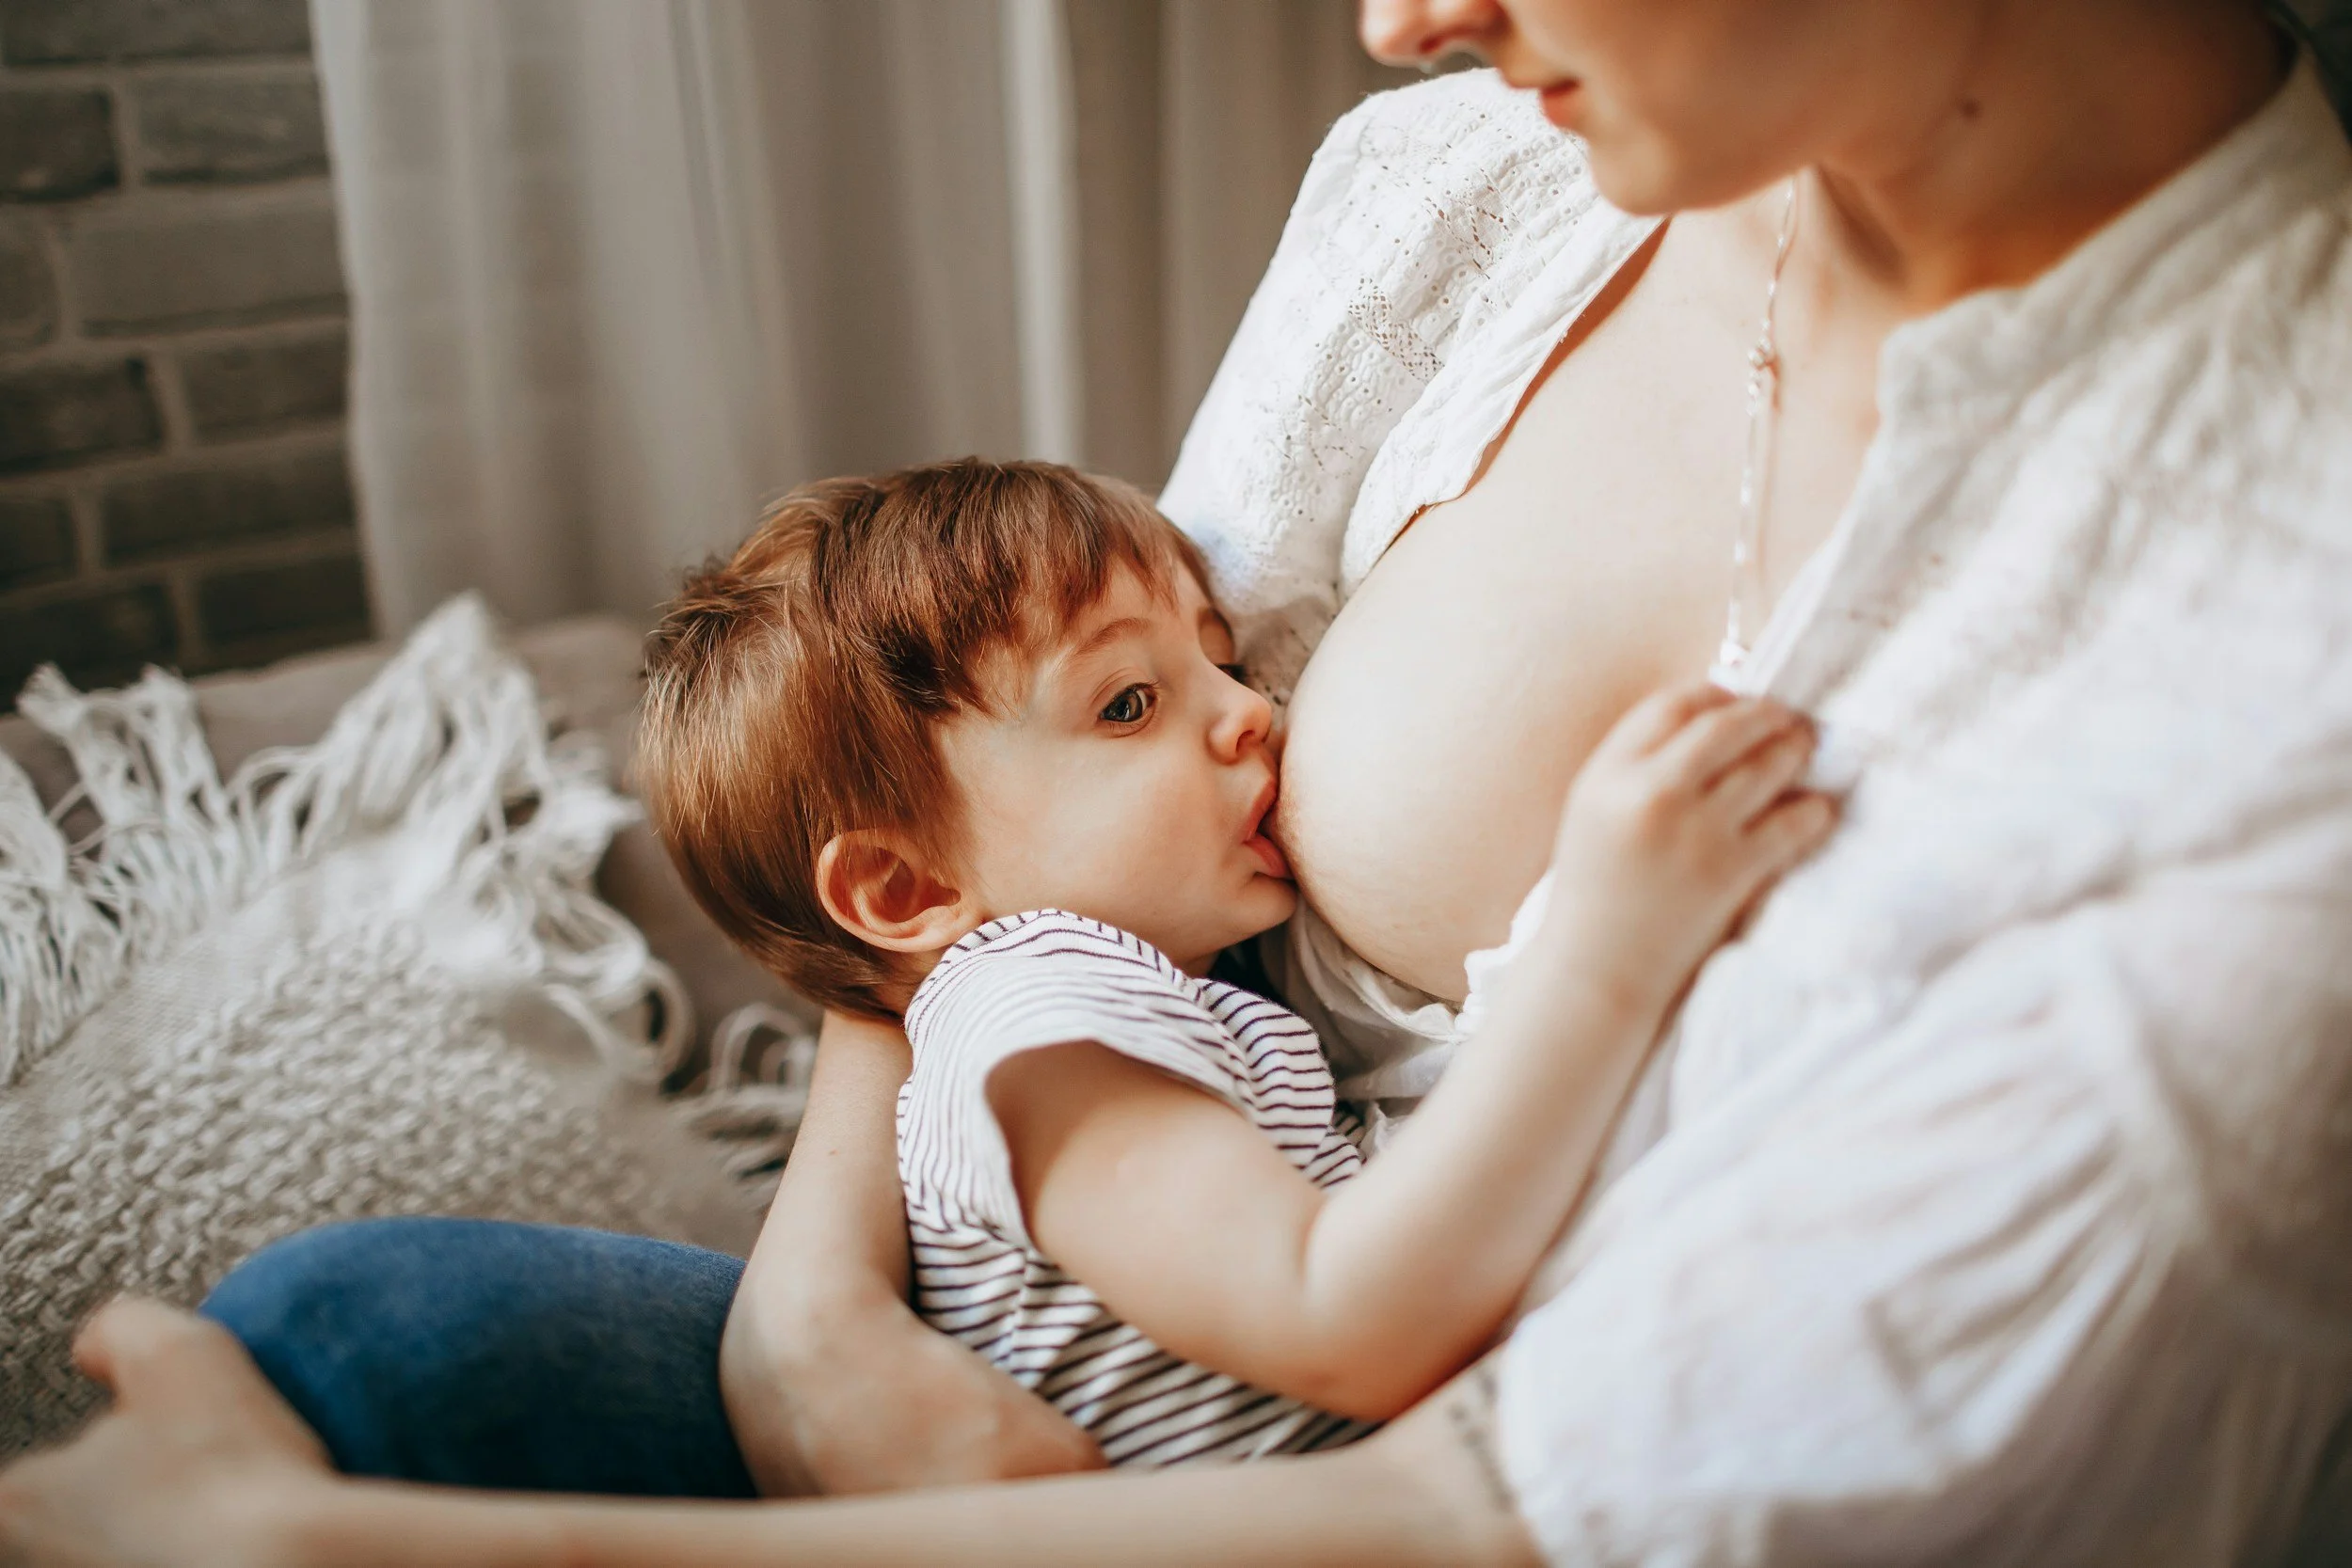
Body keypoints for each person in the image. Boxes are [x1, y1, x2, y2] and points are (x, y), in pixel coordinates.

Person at [5, 0, 2349, 1563]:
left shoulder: (2262, 718)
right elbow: (961, 811)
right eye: (1179, 697)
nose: (1397, 7)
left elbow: (1475, 1495)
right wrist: (809, 1311)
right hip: (1118, 1379)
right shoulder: (1467, 191)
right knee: (364, 1325)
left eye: (1211, 686)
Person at [631, 458, 1830, 1467]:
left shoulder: (1113, 998)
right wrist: (1605, 947)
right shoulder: (1040, 1012)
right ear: (907, 891)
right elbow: (1342, 1318)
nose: (1249, 711)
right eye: (1128, 703)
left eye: (1221, 660)